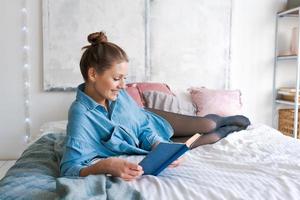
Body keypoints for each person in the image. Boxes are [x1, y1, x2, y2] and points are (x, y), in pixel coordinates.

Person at [60, 32, 250, 181]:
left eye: (124, 78)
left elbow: (143, 126)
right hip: (140, 145)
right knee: (209, 138)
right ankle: (227, 131)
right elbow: (69, 169)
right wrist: (106, 166)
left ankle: (222, 120)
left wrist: (157, 142)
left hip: (149, 119)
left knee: (207, 126)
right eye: (117, 79)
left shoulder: (120, 96)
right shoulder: (81, 114)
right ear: (93, 74)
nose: (124, 86)